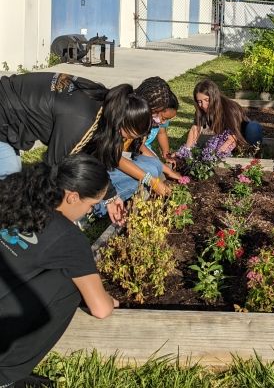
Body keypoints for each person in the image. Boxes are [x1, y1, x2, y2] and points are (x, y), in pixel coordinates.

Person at [0, 154, 118, 388]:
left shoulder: (13, 191)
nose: (88, 212)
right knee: (70, 284)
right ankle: (7, 375)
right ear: (73, 197)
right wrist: (108, 299)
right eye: (92, 205)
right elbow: (101, 309)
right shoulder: (69, 237)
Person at [92, 78, 181, 219]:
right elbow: (116, 158)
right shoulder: (124, 117)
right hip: (99, 169)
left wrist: (166, 169)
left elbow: (140, 145)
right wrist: (152, 181)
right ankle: (95, 208)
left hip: (113, 162)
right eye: (159, 115)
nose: (161, 122)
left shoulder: (137, 117)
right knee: (149, 172)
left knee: (155, 166)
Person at [185, 79, 263, 153]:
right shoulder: (201, 109)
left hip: (242, 135)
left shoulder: (230, 108)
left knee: (253, 128)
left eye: (207, 100)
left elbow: (233, 137)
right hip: (227, 138)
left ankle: (253, 152)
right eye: (199, 101)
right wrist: (186, 151)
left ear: (214, 97)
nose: (203, 105)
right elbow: (195, 129)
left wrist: (216, 154)